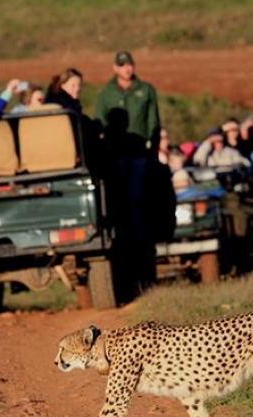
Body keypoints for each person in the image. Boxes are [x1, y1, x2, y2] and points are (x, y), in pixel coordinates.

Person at [94, 50, 162, 297]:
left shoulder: (146, 90)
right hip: (115, 155)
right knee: (118, 203)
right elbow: (98, 122)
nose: (126, 69)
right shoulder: (106, 93)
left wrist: (152, 151)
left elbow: (154, 122)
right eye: (122, 66)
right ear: (115, 68)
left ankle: (141, 233)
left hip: (139, 155)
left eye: (129, 65)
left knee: (138, 202)